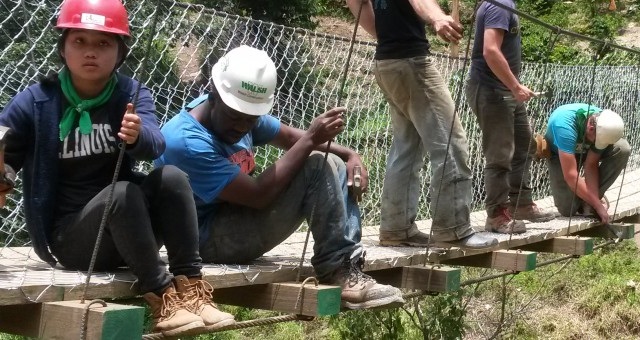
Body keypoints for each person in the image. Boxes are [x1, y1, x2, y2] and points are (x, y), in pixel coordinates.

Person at [0, 0, 234, 336]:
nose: (90, 52)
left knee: (171, 177)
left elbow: (156, 142)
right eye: (79, 41)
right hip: (71, 240)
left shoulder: (131, 93)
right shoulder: (38, 100)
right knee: (121, 193)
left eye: (103, 43)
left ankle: (192, 289)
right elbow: (5, 151)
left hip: (131, 231)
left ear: (120, 51)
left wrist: (138, 135)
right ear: (62, 47)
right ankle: (162, 299)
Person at [155, 45, 405, 310]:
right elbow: (257, 196)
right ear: (213, 94)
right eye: (235, 117)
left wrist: (349, 154)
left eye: (250, 120)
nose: (241, 126)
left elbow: (286, 137)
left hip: (231, 220)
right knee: (317, 165)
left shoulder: (238, 111)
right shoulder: (184, 141)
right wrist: (311, 138)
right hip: (201, 242)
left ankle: (347, 264)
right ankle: (335, 270)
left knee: (331, 160)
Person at [345, 0, 498, 248]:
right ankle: (454, 230)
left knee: (407, 147)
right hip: (412, 63)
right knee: (451, 143)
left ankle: (397, 228)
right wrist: (437, 17)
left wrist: (385, 36)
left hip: (386, 62)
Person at [465, 0, 555, 235]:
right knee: (500, 155)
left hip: (504, 89)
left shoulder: (505, 4)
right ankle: (496, 215)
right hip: (492, 90)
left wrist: (513, 87)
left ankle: (521, 204)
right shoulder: (500, 4)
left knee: (524, 145)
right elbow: (490, 50)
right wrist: (515, 86)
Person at [544, 103, 629, 222]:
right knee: (567, 210)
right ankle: (589, 195)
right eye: (597, 141)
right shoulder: (564, 126)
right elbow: (571, 175)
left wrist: (594, 204)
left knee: (623, 148)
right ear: (591, 128)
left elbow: (591, 165)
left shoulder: (604, 125)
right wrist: (598, 206)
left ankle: (589, 198)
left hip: (585, 151)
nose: (598, 143)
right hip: (561, 155)